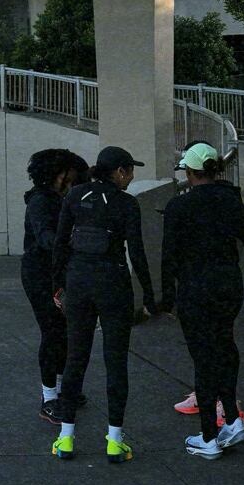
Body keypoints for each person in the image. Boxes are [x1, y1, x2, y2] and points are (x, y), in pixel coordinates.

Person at [49, 146, 157, 463]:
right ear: (119, 172)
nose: (132, 177)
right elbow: (136, 252)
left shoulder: (75, 196)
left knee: (75, 358)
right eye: (130, 171)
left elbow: (60, 243)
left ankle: (66, 437)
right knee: (116, 362)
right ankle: (114, 440)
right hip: (113, 283)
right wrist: (149, 294)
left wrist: (58, 284)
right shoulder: (127, 204)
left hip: (79, 282)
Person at [160, 142, 244, 460]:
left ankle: (208, 436)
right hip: (229, 286)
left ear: (189, 172)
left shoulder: (178, 206)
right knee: (225, 346)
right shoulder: (231, 200)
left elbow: (168, 258)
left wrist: (167, 298)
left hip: (195, 289)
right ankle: (231, 419)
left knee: (203, 358)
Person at [22, 148, 90, 422]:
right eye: (69, 175)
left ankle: (61, 391)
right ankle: (49, 397)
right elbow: (45, 237)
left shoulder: (57, 198)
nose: (72, 181)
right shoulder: (41, 201)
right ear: (57, 174)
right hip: (41, 275)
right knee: (53, 333)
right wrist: (71, 244)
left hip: (56, 273)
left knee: (63, 333)